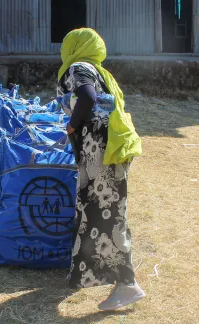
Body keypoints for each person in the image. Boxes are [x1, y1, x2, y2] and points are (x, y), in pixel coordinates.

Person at [57, 28, 145, 311]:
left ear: (75, 47)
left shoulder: (78, 67)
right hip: (111, 150)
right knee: (96, 213)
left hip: (101, 155)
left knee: (106, 215)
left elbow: (87, 97)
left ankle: (127, 283)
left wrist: (71, 124)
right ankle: (89, 275)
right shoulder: (98, 70)